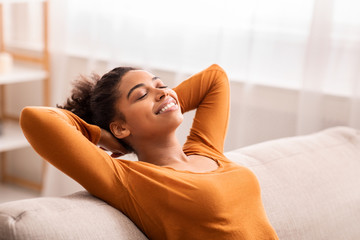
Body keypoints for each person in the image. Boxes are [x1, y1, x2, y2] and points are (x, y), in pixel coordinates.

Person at [20, 64, 279, 240]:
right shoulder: (130, 179)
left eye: (161, 85)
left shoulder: (206, 149)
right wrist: (105, 138)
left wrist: (165, 99)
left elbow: (215, 77)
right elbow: (35, 118)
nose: (162, 91)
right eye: (141, 95)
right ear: (120, 126)